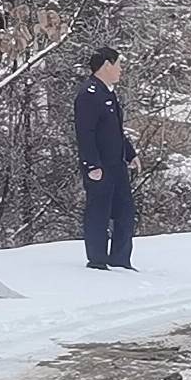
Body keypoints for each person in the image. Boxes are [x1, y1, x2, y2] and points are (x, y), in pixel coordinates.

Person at [73, 47, 137, 271]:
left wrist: (130, 154)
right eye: (118, 64)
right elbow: (85, 133)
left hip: (116, 164)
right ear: (107, 65)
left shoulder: (107, 92)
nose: (121, 70)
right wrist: (92, 165)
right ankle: (98, 260)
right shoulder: (89, 94)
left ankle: (120, 260)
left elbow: (115, 130)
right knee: (98, 213)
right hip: (100, 166)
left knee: (125, 213)